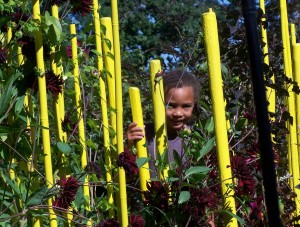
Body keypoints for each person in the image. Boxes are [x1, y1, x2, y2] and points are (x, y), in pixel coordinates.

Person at [126, 68, 200, 177]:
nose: (178, 113)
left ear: (194, 105)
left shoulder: (195, 140)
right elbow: (126, 178)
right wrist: (130, 147)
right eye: (170, 105)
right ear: (158, 102)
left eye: (186, 106)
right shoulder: (143, 134)